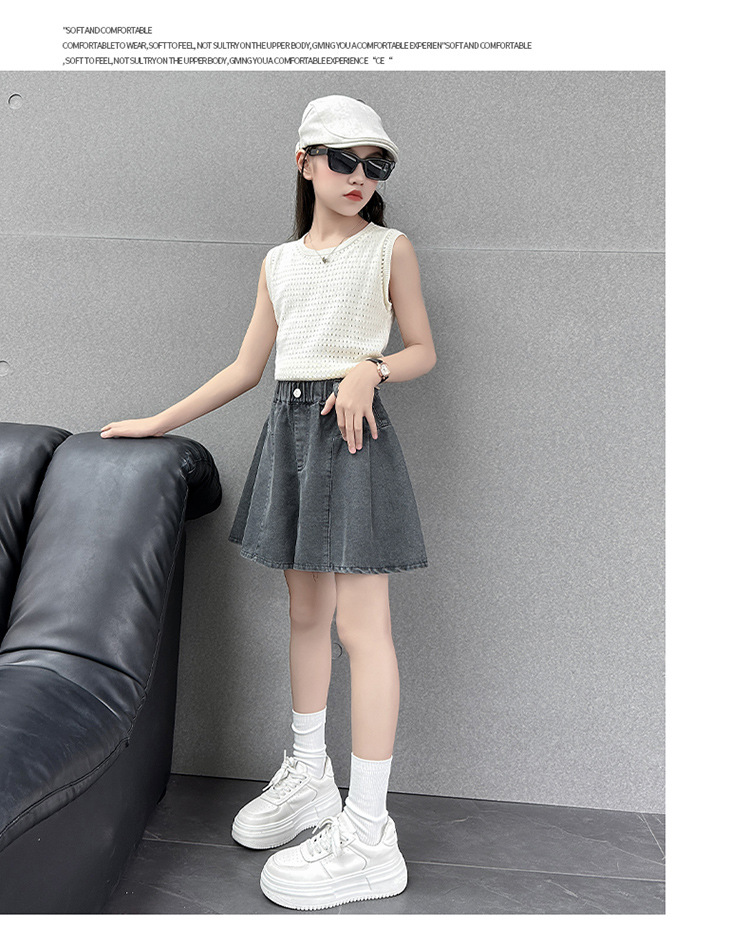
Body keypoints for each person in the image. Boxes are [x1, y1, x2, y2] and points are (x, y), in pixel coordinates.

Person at [100, 94, 436, 911]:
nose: (360, 176)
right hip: (289, 436)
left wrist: (373, 368)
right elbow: (246, 368)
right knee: (306, 613)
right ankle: (310, 774)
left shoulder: (389, 248)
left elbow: (424, 348)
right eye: (343, 159)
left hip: (351, 439)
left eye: (376, 164)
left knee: (363, 628)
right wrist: (156, 420)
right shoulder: (278, 263)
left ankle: (369, 829)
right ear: (304, 162)